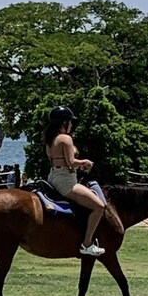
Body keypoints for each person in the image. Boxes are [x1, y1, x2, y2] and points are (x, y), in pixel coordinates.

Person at [44, 106, 105, 256]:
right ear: (64, 122)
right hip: (66, 181)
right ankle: (87, 244)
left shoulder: (50, 139)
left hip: (53, 176)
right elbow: (71, 162)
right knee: (99, 206)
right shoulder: (66, 139)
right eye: (70, 122)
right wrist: (84, 162)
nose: (71, 125)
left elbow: (62, 162)